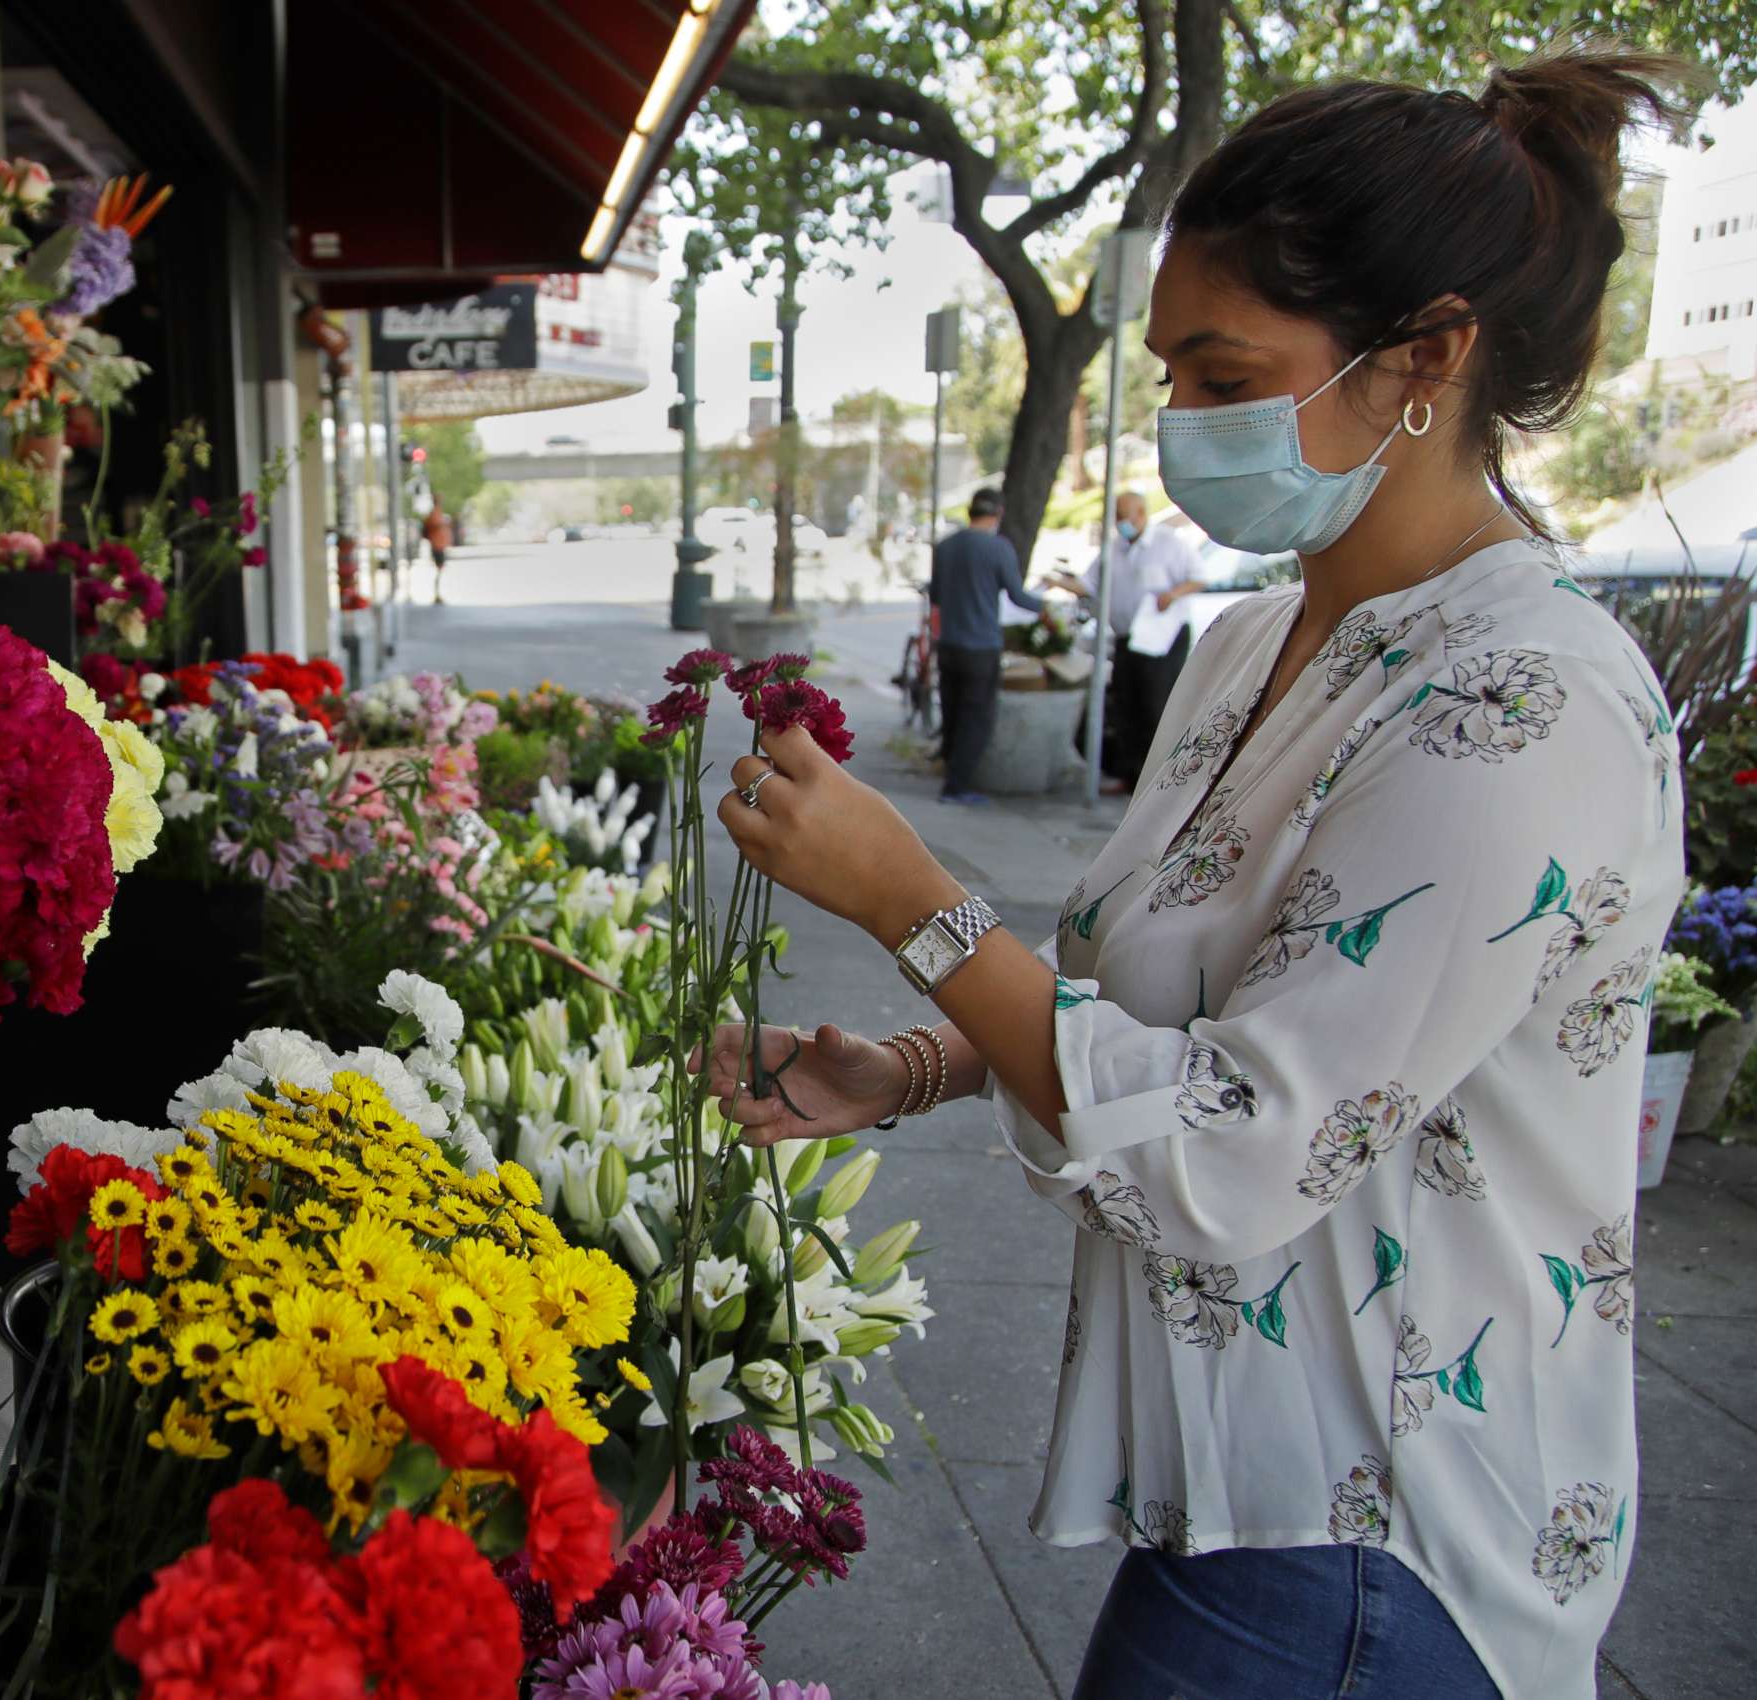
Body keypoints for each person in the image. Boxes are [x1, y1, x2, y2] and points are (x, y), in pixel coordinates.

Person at [701, 49, 1686, 1700]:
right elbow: (1149, 995)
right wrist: (918, 1065)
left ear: (1423, 358)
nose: (1178, 425)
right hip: (1248, 1492)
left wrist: (909, 903)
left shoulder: (1519, 705)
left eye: (1224, 374)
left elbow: (1234, 1157)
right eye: (1168, 373)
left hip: (1375, 1536)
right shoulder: (1251, 644)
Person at [1047, 493, 1206, 790]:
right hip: (1125, 637)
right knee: (1125, 706)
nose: (1121, 524)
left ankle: (1157, 777)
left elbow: (1198, 577)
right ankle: (1131, 774)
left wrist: (1172, 594)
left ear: (1141, 513)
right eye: (1117, 517)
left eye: (1125, 516)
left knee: (1153, 706)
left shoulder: (1168, 543)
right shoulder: (1114, 549)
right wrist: (1056, 582)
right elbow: (1088, 584)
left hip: (1162, 639)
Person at [929, 485, 1044, 804]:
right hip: (981, 646)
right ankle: (957, 786)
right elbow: (1018, 596)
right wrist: (1047, 607)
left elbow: (936, 595)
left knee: (951, 710)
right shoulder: (998, 548)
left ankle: (949, 769)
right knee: (975, 716)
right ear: (998, 514)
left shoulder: (946, 547)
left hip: (949, 643)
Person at [423, 502, 454, 604]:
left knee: (440, 570)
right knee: (439, 570)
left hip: (439, 546)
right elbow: (433, 527)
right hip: (437, 546)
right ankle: (437, 594)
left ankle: (438, 593)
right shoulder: (435, 515)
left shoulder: (437, 514)